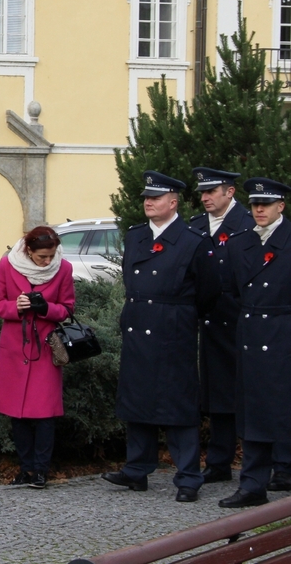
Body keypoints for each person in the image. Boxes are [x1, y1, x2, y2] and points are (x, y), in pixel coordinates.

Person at [103, 171, 220, 503]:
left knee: (178, 405)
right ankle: (137, 470)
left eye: (155, 198)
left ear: (174, 202)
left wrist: (179, 315)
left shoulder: (193, 241)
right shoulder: (137, 236)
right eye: (146, 198)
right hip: (139, 326)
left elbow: (209, 292)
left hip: (173, 329)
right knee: (138, 399)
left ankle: (188, 477)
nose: (148, 202)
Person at [219, 177, 291, 507]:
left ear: (281, 206)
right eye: (255, 205)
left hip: (284, 333)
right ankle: (252, 484)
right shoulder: (239, 243)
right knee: (254, 411)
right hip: (251, 334)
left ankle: (284, 470)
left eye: (266, 204)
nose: (259, 210)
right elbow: (231, 290)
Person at [0, 226, 74, 489]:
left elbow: (68, 308)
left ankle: (40, 471)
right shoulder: (7, 265)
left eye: (51, 256)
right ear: (28, 251)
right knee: (18, 413)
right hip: (15, 348)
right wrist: (16, 307)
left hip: (46, 349)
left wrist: (46, 308)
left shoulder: (64, 268)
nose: (48, 261)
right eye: (42, 257)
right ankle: (25, 469)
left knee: (44, 413)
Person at [188, 167, 253, 484]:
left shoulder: (248, 224)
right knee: (217, 396)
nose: (204, 197)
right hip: (211, 320)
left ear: (230, 192)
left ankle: (269, 462)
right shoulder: (198, 226)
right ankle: (219, 461)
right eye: (202, 192)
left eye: (211, 191)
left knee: (252, 393)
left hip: (242, 320)